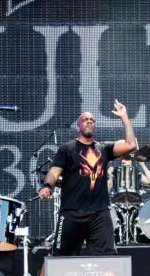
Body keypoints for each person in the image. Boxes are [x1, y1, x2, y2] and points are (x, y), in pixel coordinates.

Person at [38, 100, 137, 255]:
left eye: (92, 120)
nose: (89, 121)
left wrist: (124, 117)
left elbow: (131, 145)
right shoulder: (67, 148)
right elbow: (54, 172)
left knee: (107, 258)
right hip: (72, 212)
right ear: (78, 126)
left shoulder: (104, 148)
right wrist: (47, 186)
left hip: (100, 213)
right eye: (85, 119)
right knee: (61, 257)